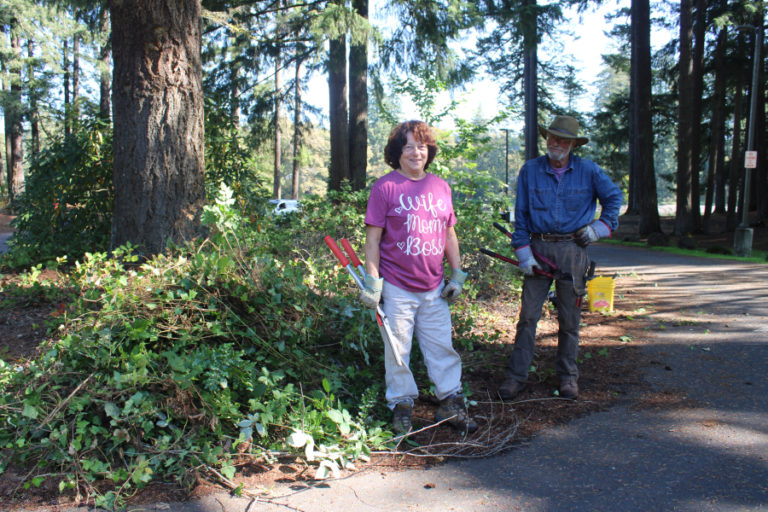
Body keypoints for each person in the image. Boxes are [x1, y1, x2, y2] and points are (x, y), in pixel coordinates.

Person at [361, 120, 477, 435]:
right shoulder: (385, 187)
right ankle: (401, 405)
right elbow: (373, 240)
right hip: (397, 287)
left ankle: (450, 402)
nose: (416, 152)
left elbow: (449, 234)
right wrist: (374, 282)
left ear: (429, 151)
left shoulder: (440, 187)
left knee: (442, 347)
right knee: (397, 351)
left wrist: (457, 274)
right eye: (409, 146)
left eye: (422, 146)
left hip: (434, 288)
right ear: (398, 152)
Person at [498, 115, 623, 401]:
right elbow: (522, 217)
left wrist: (599, 228)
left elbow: (614, 198)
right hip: (538, 248)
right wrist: (524, 253)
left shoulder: (589, 171)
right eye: (552, 138)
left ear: (572, 145)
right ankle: (516, 377)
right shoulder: (530, 171)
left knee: (570, 319)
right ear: (547, 139)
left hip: (573, 251)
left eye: (563, 140)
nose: (556, 143)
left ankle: (568, 377)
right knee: (528, 317)